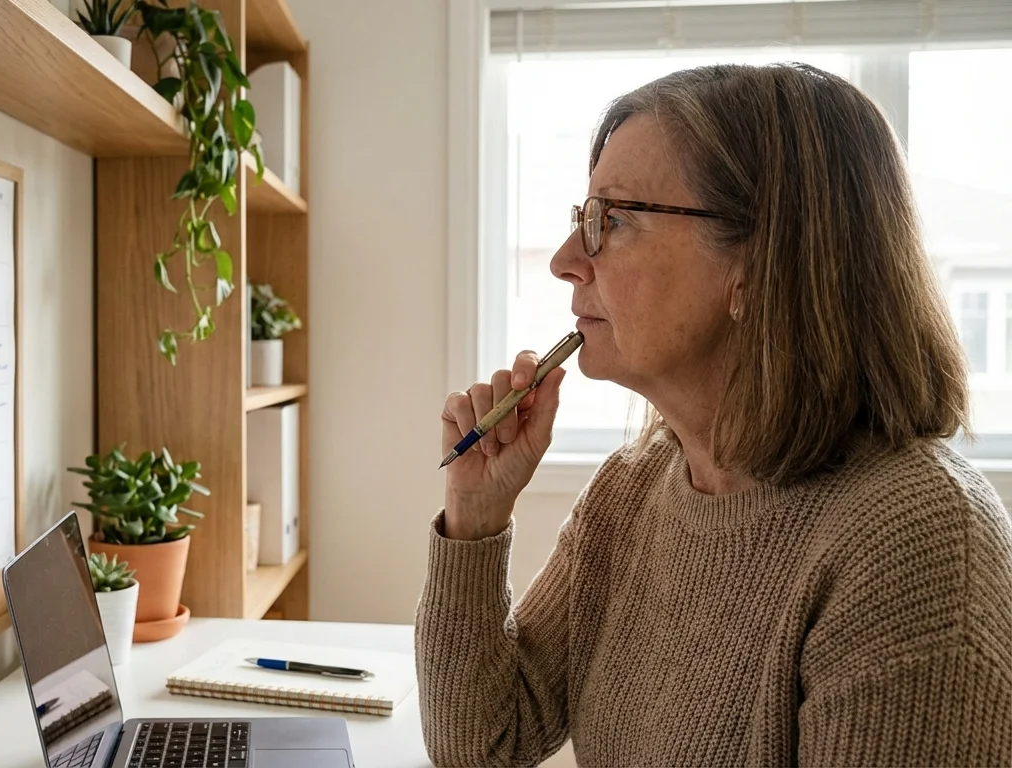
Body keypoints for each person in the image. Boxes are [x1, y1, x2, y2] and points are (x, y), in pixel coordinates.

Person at [416, 62, 1012, 766]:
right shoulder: (632, 489)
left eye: (613, 219)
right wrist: (475, 517)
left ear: (759, 262)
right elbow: (481, 744)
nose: (565, 259)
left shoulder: (916, 550)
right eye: (584, 218)